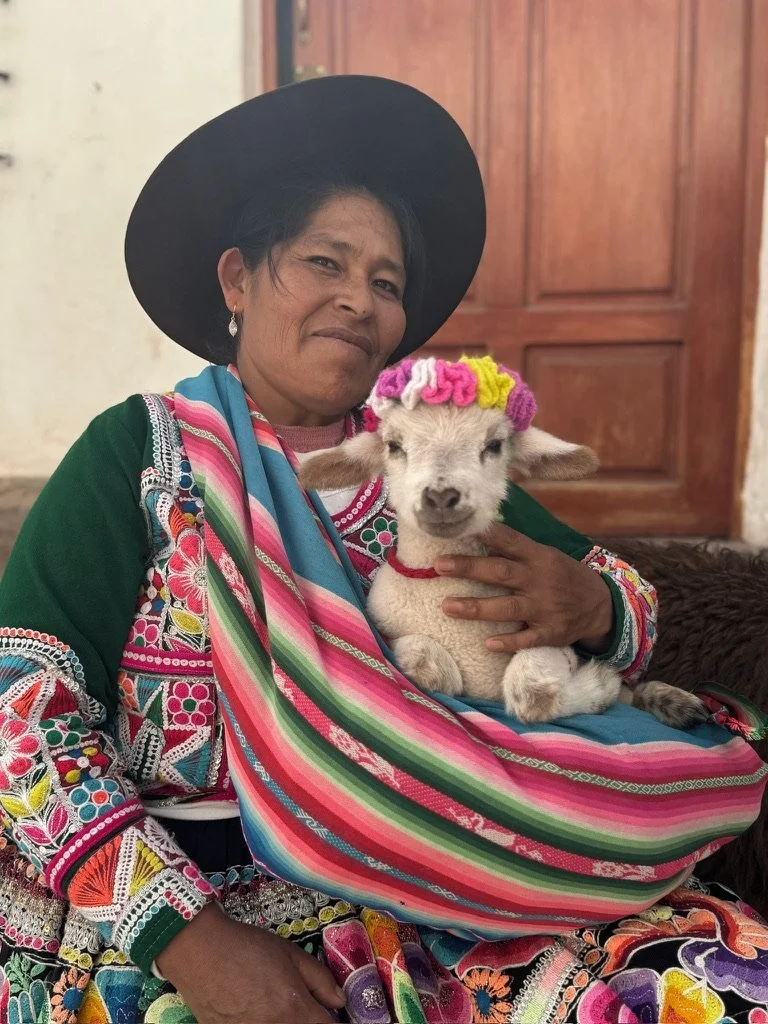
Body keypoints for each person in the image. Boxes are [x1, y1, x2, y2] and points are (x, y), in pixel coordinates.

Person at [0, 76, 765, 1024]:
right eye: (325, 262)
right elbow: (22, 719)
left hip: (444, 876)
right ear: (239, 279)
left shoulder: (428, 461)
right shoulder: (137, 457)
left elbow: (624, 608)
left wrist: (596, 607)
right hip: (174, 913)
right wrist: (187, 943)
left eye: (387, 283)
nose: (359, 301)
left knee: (707, 987)